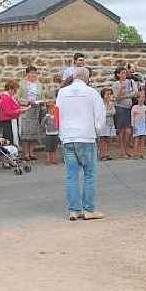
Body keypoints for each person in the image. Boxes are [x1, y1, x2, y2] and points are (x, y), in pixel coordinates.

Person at [56, 66, 106, 221]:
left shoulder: (62, 93)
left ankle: (74, 210)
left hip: (68, 136)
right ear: (87, 78)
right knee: (89, 174)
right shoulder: (92, 93)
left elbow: (57, 114)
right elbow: (100, 115)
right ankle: (89, 209)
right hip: (85, 136)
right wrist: (97, 131)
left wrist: (61, 133)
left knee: (71, 175)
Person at [18, 66, 45, 162]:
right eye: (32, 73)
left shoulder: (39, 84)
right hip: (25, 110)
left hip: (35, 110)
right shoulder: (21, 84)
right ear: (27, 74)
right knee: (26, 133)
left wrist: (40, 102)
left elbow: (42, 96)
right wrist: (27, 102)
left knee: (33, 132)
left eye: (35, 73)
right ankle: (25, 153)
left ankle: (31, 152)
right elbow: (17, 98)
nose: (34, 75)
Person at [112, 66, 137, 159]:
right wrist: (122, 90)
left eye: (125, 73)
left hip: (129, 108)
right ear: (117, 74)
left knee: (129, 131)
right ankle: (122, 151)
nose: (124, 75)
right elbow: (117, 98)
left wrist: (126, 95)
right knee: (122, 131)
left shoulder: (129, 82)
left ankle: (127, 149)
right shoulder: (115, 84)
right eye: (122, 73)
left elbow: (135, 93)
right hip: (120, 108)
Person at [0, 79, 26, 146]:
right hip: (8, 122)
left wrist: (20, 109)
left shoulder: (10, 97)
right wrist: (20, 111)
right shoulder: (5, 97)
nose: (15, 92)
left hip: (13, 121)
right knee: (10, 140)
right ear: (10, 88)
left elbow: (14, 108)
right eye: (15, 90)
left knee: (14, 139)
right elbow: (8, 111)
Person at [97, 87, 116, 161]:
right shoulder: (100, 103)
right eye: (107, 94)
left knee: (108, 139)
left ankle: (107, 153)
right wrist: (108, 111)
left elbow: (114, 112)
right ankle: (102, 154)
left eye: (109, 94)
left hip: (110, 123)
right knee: (102, 139)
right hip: (103, 124)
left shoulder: (111, 103)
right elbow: (102, 113)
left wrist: (108, 111)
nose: (108, 96)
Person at [131, 88, 146, 159]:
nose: (142, 99)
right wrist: (133, 125)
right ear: (137, 99)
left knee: (143, 139)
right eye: (141, 97)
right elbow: (132, 117)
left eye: (143, 97)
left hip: (143, 124)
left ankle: (141, 153)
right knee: (137, 139)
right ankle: (135, 154)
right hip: (137, 124)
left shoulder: (145, 107)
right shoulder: (134, 107)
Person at [42, 100, 60, 166]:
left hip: (56, 133)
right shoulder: (46, 116)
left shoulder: (57, 115)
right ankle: (48, 159)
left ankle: (54, 159)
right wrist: (44, 129)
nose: (51, 110)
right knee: (48, 147)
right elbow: (42, 124)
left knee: (55, 147)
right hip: (48, 133)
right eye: (50, 109)